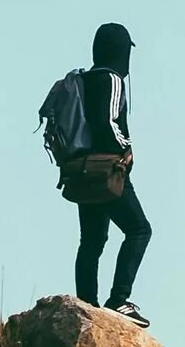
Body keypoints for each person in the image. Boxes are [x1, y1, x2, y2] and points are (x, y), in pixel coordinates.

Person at [60, 21, 150, 325]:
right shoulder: (112, 79)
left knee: (92, 239)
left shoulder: (83, 80)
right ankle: (119, 300)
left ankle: (86, 305)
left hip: (83, 170)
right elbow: (107, 121)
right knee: (139, 229)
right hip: (108, 169)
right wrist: (127, 147)